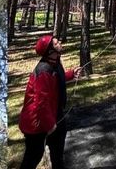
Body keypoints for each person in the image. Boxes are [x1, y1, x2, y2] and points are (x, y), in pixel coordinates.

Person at [18, 35, 82, 169]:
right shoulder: (43, 71)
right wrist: (50, 125)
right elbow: (41, 102)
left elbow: (57, 78)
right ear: (50, 51)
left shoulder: (55, 63)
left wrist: (71, 74)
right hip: (38, 123)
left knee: (58, 157)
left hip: (55, 116)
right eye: (56, 43)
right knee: (33, 157)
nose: (60, 42)